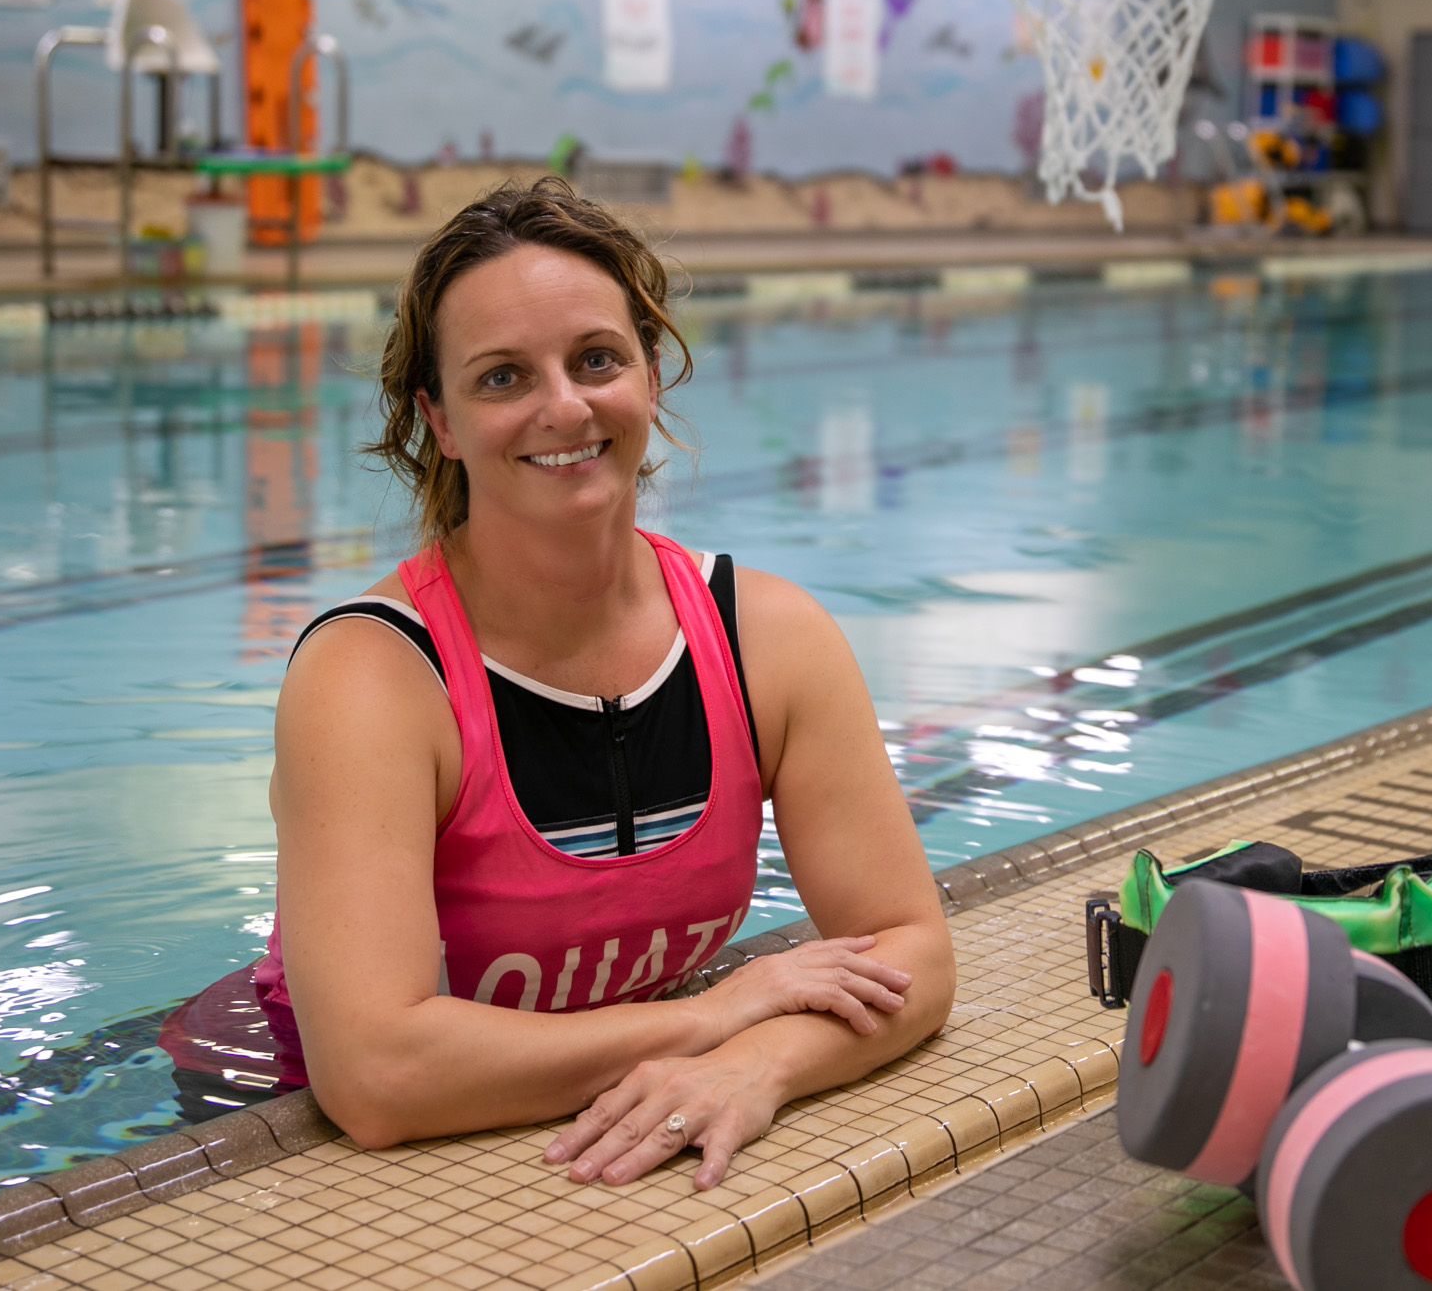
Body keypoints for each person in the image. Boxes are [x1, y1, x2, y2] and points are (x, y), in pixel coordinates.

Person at [251, 178, 955, 1190]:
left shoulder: (766, 638)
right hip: (285, 1122)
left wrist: (760, 1062)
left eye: (595, 359)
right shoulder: (374, 676)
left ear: (651, 378)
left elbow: (914, 952)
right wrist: (714, 1015)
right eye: (502, 377)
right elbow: (376, 1076)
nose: (565, 407)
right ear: (438, 420)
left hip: (614, 1094)